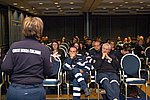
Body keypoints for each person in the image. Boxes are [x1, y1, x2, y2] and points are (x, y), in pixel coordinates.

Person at [1, 17, 53, 100]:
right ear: (39, 30)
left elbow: (5, 67)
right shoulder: (44, 49)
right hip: (35, 91)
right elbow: (49, 71)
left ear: (24, 30)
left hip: (16, 90)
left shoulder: (14, 46)